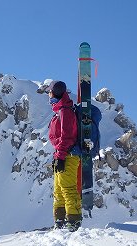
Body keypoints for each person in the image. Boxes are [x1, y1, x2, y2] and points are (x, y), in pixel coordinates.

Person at [46, 80, 82, 232]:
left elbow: (67, 137)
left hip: (68, 154)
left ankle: (73, 221)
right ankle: (60, 221)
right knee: (59, 190)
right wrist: (58, 156)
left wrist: (60, 156)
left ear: (55, 93)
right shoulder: (60, 110)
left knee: (68, 188)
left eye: (50, 93)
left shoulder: (65, 111)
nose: (49, 96)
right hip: (61, 154)